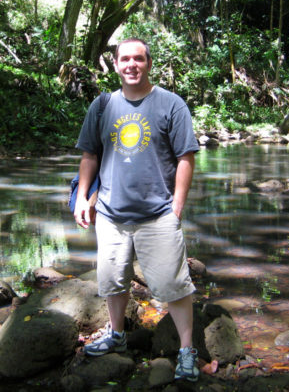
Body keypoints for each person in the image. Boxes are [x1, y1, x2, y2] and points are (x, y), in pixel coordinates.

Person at [73, 38, 200, 381]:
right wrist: (83, 198)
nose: (131, 64)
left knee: (173, 284)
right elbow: (90, 155)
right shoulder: (102, 106)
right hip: (111, 215)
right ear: (115, 65)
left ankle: (187, 349)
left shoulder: (171, 105)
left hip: (158, 214)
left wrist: (176, 207)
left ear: (148, 63)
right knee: (113, 282)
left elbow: (186, 157)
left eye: (138, 59)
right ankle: (116, 336)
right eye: (124, 59)